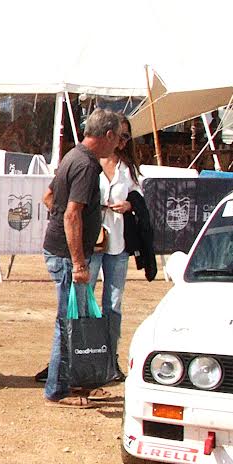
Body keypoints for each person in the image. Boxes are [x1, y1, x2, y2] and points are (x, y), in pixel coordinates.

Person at [42, 108, 125, 405]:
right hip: (67, 256)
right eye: (120, 138)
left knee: (73, 319)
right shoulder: (87, 166)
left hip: (61, 250)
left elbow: (48, 197)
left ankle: (77, 384)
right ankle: (59, 389)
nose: (119, 145)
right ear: (108, 135)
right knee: (69, 322)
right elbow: (72, 214)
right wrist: (78, 262)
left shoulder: (72, 156)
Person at [98, 119, 141, 348]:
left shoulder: (128, 167)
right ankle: (84, 353)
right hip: (92, 240)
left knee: (113, 302)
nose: (124, 142)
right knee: (83, 299)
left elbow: (139, 197)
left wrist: (129, 206)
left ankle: (110, 354)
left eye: (127, 137)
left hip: (118, 240)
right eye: (120, 136)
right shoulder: (91, 162)